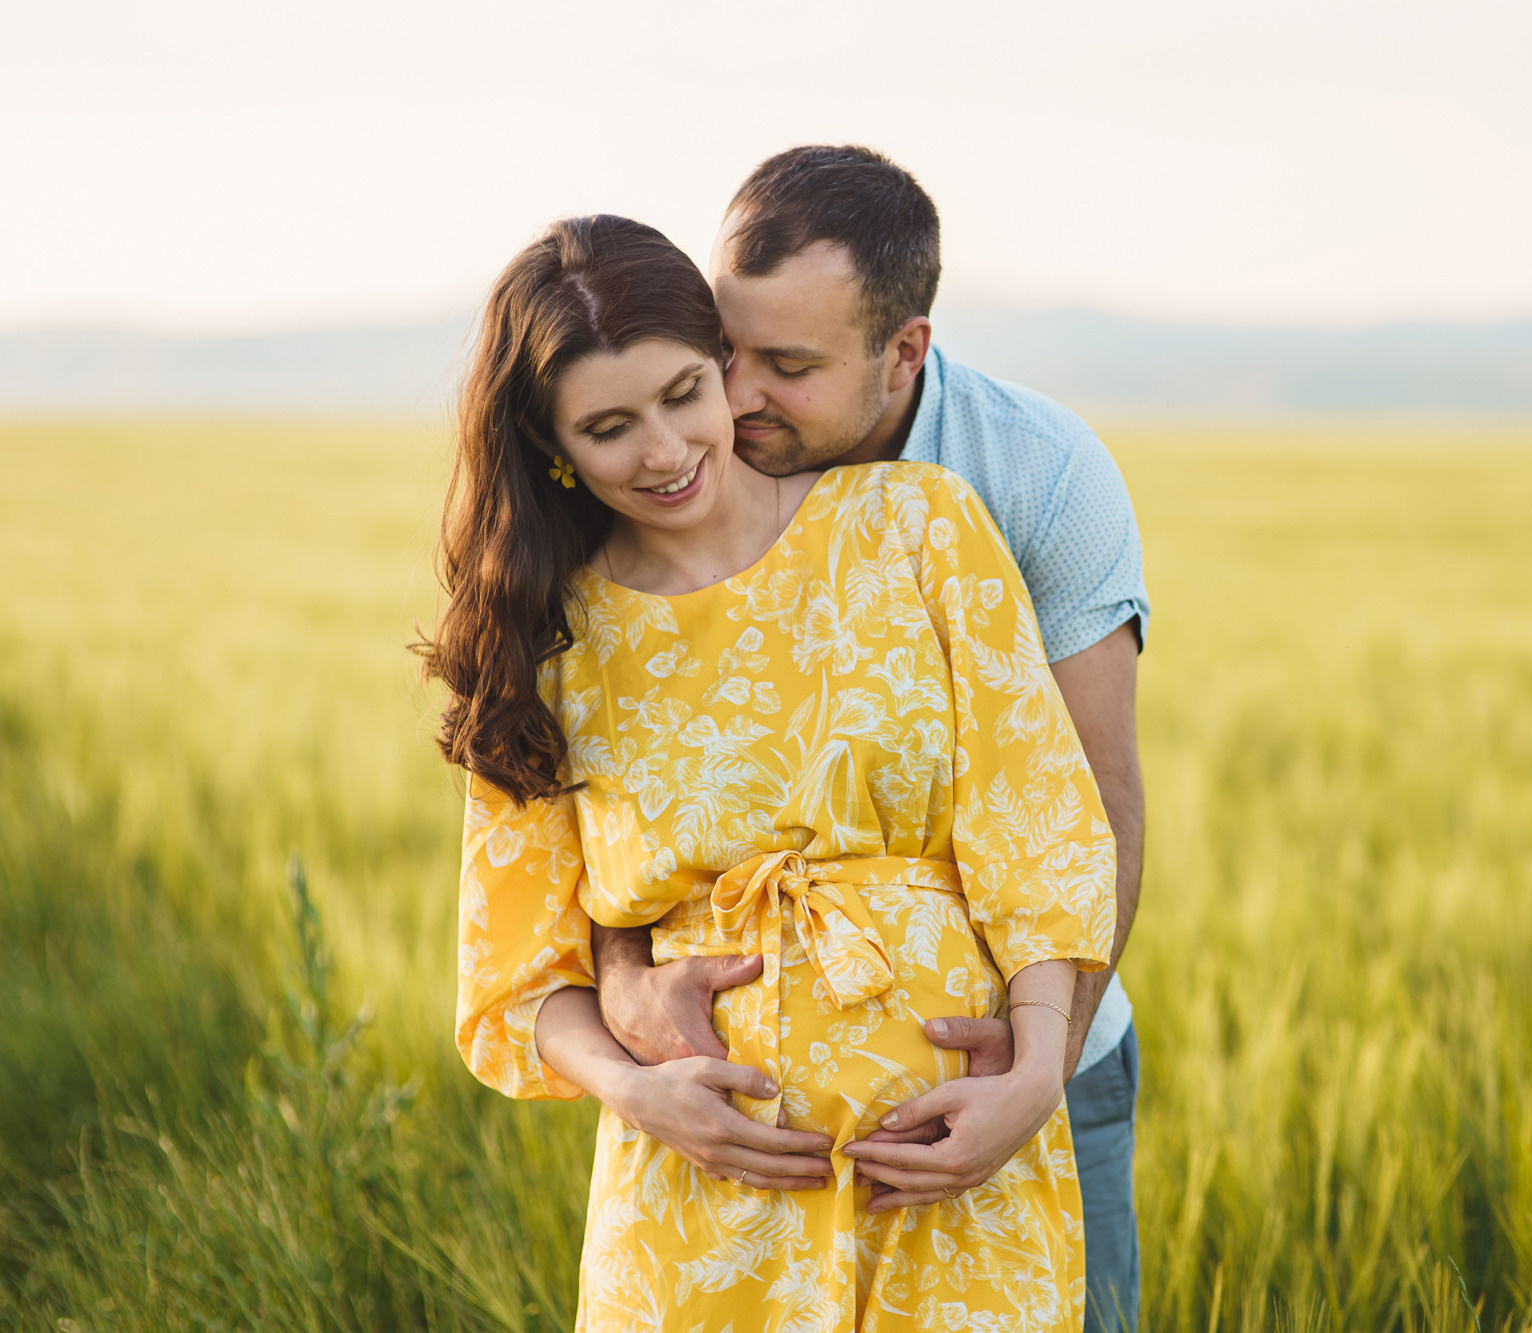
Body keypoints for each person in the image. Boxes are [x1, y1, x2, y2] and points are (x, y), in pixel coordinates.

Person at [428, 213, 1116, 1330]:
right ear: (553, 445)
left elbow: (1036, 818)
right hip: (703, 1198)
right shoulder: (547, 642)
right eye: (608, 427)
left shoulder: (915, 526)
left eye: (682, 393)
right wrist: (636, 1090)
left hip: (950, 1168)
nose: (662, 450)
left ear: (723, 368)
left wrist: (1035, 1071)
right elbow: (515, 972)